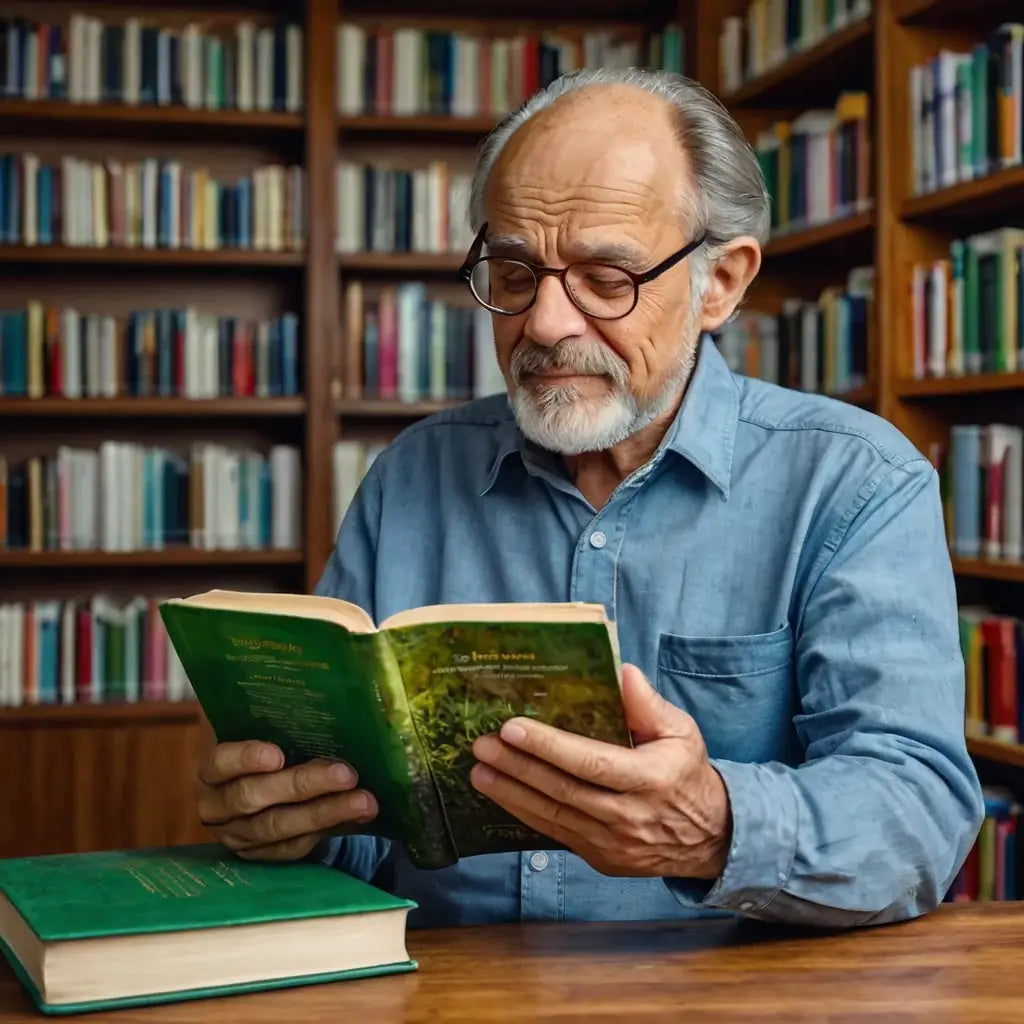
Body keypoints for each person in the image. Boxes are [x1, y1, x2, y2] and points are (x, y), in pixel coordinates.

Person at [193, 67, 984, 930]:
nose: (543, 323)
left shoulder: (855, 480)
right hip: (440, 994)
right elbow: (361, 829)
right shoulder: (412, 475)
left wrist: (713, 828)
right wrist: (288, 818)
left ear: (720, 282)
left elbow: (918, 812)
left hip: (724, 1000)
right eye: (513, 271)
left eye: (607, 277)